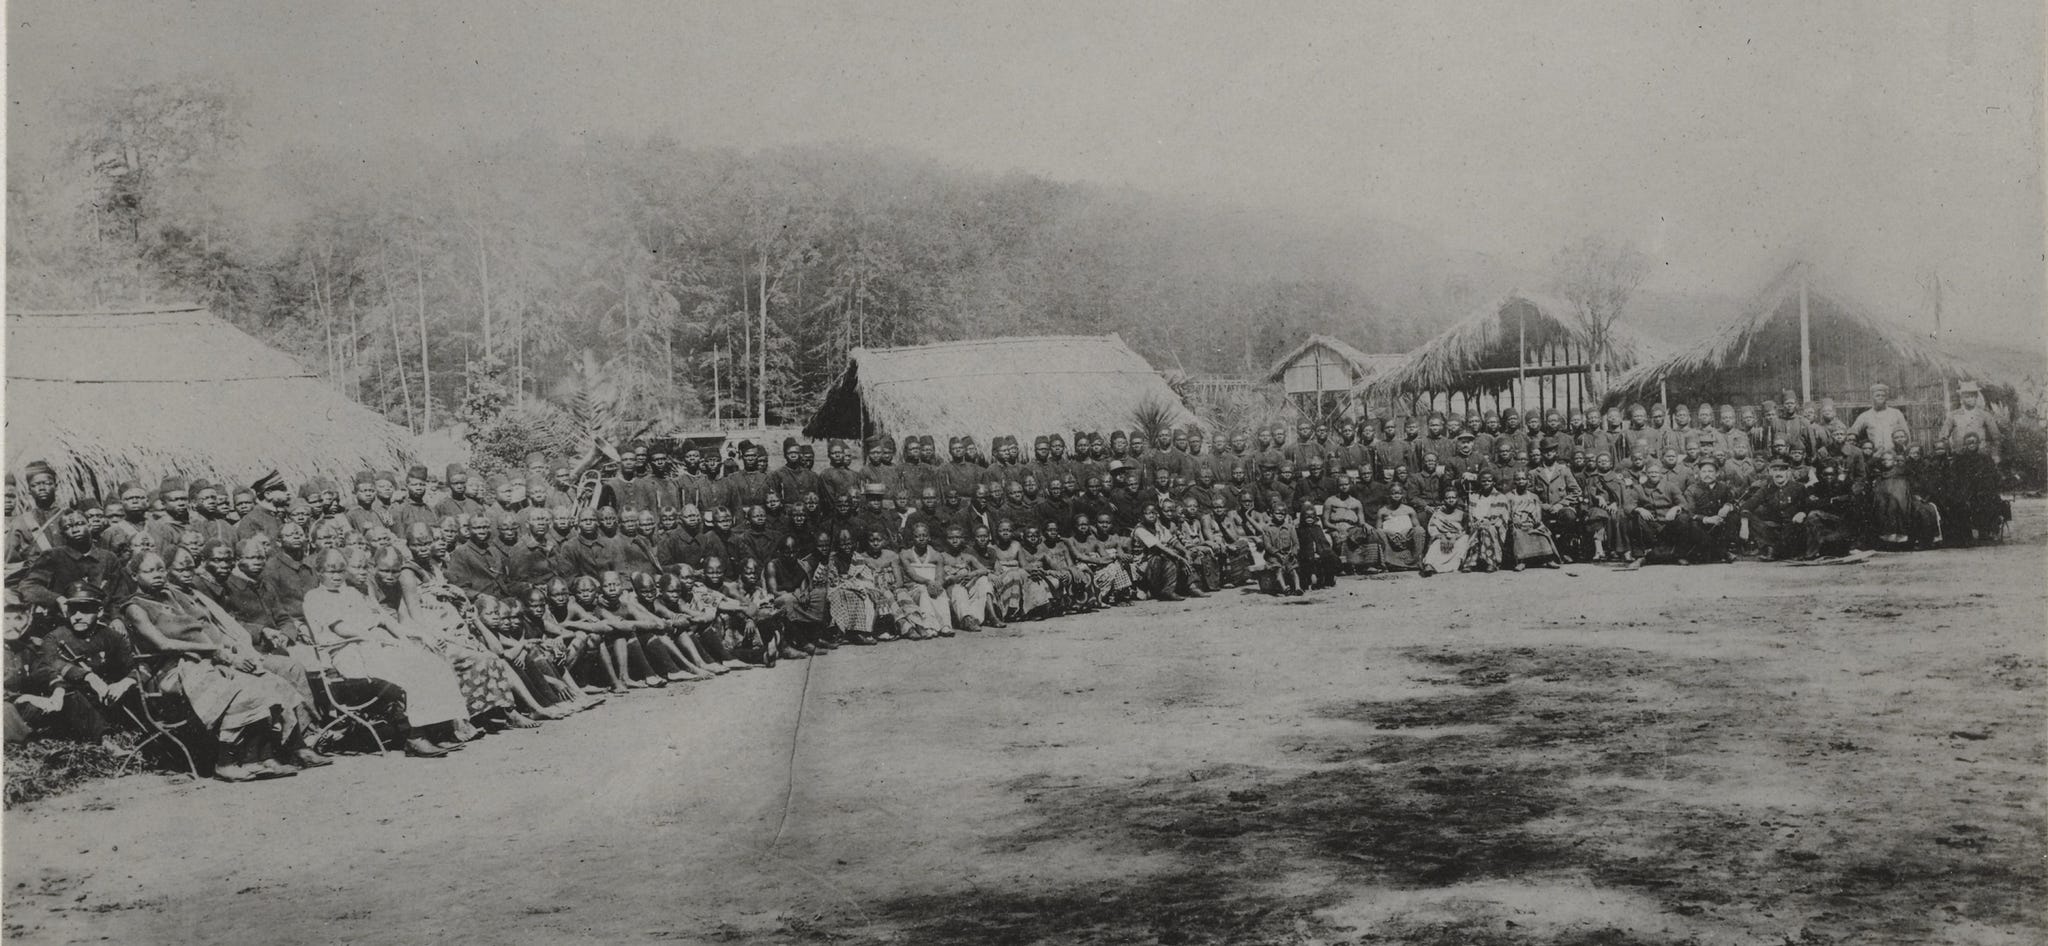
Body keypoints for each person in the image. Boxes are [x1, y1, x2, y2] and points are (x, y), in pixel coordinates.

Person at [120, 549, 317, 780]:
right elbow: (163, 645)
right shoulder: (135, 606)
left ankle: (260, 758)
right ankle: (226, 762)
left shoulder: (173, 595)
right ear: (134, 575)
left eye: (161, 569)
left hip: (204, 661)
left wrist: (226, 653)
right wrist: (214, 651)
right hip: (172, 670)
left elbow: (206, 627)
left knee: (270, 682)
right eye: (149, 571)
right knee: (245, 690)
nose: (158, 575)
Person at [300, 549, 467, 757]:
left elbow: (377, 619)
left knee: (431, 661)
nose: (336, 576)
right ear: (318, 572)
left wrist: (400, 638)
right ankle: (415, 737)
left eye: (341, 571)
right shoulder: (315, 597)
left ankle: (439, 730)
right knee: (414, 669)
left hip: (371, 646)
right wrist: (373, 637)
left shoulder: (351, 593)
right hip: (347, 654)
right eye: (329, 571)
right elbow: (341, 628)